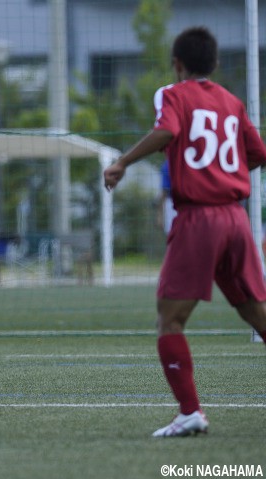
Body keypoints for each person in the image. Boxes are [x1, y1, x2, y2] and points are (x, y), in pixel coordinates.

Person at [103, 26, 266, 437]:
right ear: (213, 64)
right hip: (236, 217)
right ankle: (189, 412)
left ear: (177, 64)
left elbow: (168, 130)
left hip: (200, 220)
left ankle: (190, 412)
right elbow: (259, 153)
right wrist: (223, 173)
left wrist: (122, 162)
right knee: (256, 314)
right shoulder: (232, 102)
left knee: (170, 320)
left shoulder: (174, 95)